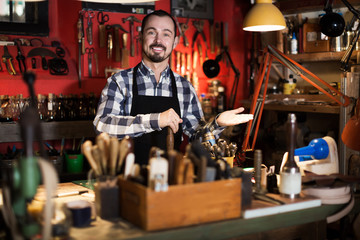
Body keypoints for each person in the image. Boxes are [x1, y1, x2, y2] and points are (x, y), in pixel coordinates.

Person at [93, 10, 253, 165]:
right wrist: (156, 120)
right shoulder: (119, 81)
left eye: (166, 34)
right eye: (151, 32)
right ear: (140, 37)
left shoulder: (184, 88)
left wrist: (217, 123)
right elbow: (102, 126)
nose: (158, 40)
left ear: (175, 41)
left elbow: (196, 136)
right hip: (127, 179)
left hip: (171, 179)